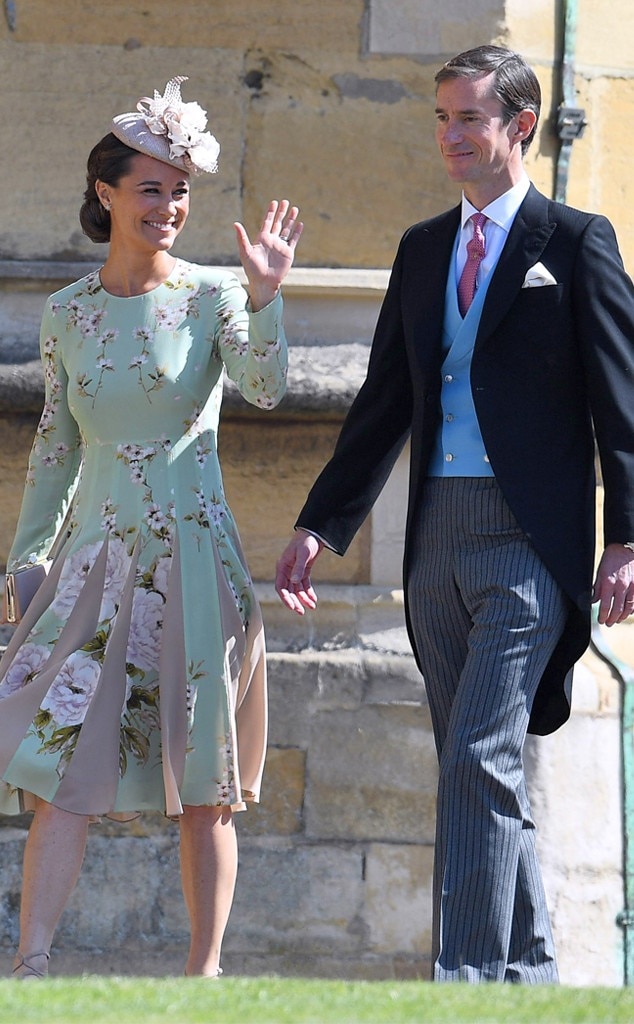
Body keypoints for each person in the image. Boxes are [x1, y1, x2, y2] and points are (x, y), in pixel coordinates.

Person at [275, 45, 634, 983]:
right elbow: (384, 402)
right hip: (433, 537)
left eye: (468, 118)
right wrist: (322, 523)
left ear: (520, 126)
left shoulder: (576, 243)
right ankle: (530, 979)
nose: (450, 137)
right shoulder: (422, 247)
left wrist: (627, 538)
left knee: (479, 755)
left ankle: (465, 983)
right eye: (440, 118)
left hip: (530, 544)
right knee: (476, 768)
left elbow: (622, 407)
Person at [0, 76, 302, 979]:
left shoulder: (214, 296)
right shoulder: (66, 315)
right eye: (150, 187)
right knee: (58, 769)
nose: (169, 206)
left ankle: (204, 977)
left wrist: (269, 295)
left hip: (194, 565)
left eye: (180, 190)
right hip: (91, 566)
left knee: (205, 787)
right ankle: (32, 965)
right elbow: (55, 445)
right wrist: (24, 561)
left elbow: (266, 386)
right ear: (105, 194)